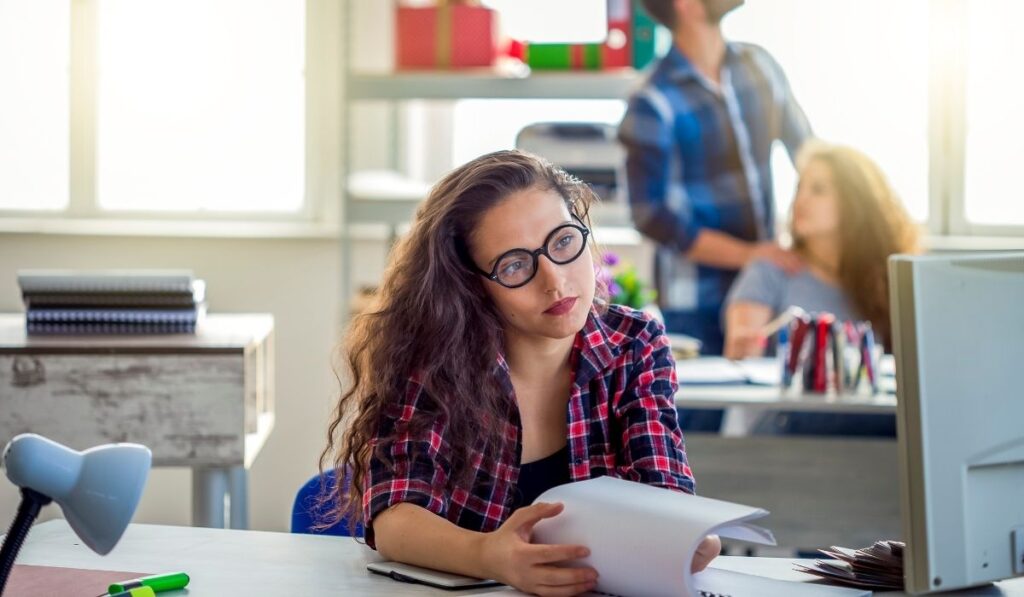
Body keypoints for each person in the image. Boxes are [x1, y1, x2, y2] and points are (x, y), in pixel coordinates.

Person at [320, 150, 719, 596]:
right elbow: (396, 520)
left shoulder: (635, 343)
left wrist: (686, 536)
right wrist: (490, 555)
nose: (554, 280)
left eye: (564, 242)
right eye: (514, 265)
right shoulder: (433, 358)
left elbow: (666, 495)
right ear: (471, 285)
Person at [618, 0, 812, 357]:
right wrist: (752, 254)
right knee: (705, 412)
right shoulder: (651, 99)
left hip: (767, 291)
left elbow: (811, 157)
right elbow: (650, 215)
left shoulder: (760, 66)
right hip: (695, 303)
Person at [723, 143, 921, 359]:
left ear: (853, 202)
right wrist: (743, 351)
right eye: (799, 187)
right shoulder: (768, 271)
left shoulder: (884, 282)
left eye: (818, 190)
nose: (801, 199)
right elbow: (739, 361)